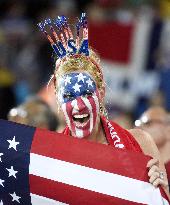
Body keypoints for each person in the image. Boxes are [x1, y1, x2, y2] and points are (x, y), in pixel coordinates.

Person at [38, 13, 170, 198]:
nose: (78, 105)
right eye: (68, 96)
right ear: (59, 102)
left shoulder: (141, 143)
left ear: (101, 94)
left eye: (86, 93)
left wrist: (161, 190)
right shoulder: (49, 159)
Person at [135, 106, 170, 190]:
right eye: (138, 124)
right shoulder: (139, 168)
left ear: (168, 129)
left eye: (148, 123)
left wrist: (166, 191)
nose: (139, 128)